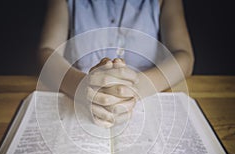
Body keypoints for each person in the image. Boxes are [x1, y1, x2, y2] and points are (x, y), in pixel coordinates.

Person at [38, 0, 194, 128]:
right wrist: (81, 87)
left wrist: (135, 89)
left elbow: (184, 56)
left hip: (146, 102)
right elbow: (47, 52)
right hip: (78, 100)